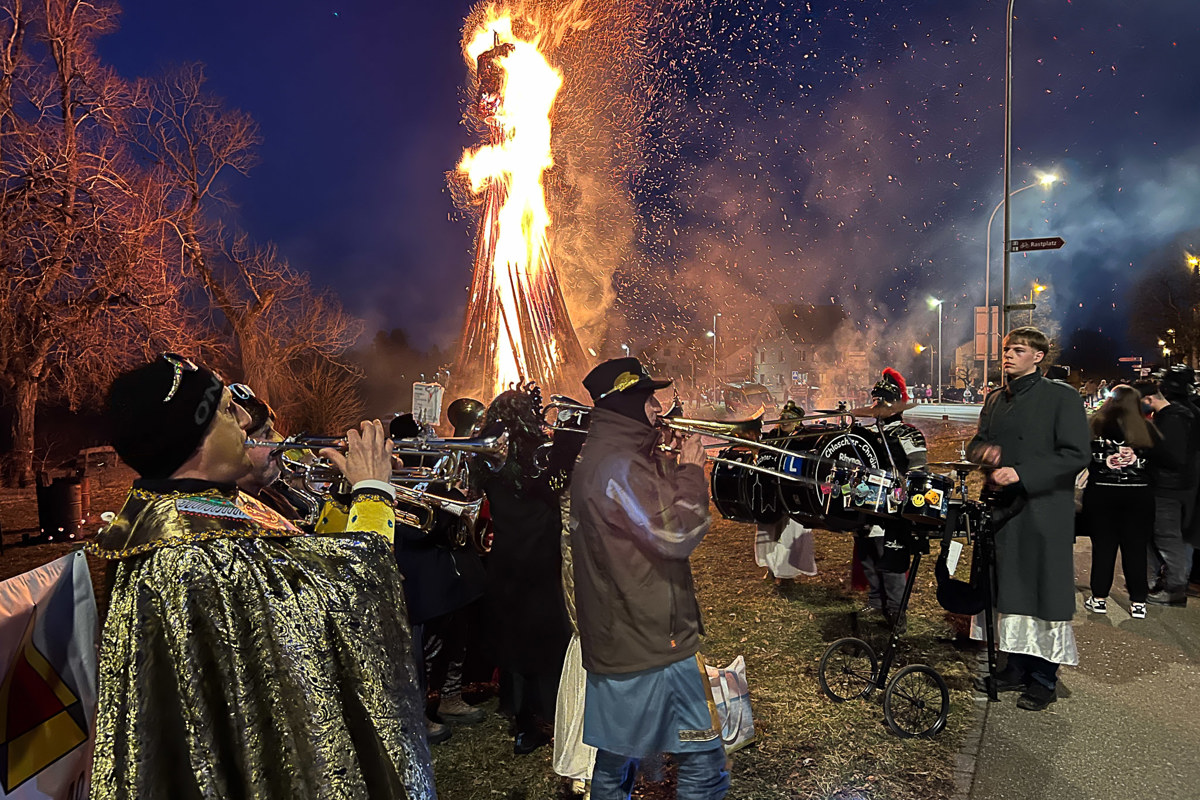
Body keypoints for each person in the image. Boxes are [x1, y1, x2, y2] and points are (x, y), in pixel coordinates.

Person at [87, 355, 436, 799]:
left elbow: (298, 570)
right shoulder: (191, 553)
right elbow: (345, 603)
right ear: (196, 438)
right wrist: (373, 494)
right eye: (229, 412)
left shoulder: (200, 508)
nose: (246, 421)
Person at [571, 357, 729, 800]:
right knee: (704, 765)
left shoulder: (607, 458)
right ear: (630, 403)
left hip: (620, 638)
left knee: (614, 762)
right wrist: (693, 471)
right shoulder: (618, 465)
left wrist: (665, 457)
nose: (659, 407)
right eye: (650, 399)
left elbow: (642, 513)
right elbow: (676, 533)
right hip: (654, 643)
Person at [968, 327, 1090, 711]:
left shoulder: (1061, 397)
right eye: (1006, 350)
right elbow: (975, 443)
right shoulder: (994, 400)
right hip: (1004, 511)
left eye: (1018, 350)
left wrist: (1022, 473)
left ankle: (1043, 678)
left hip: (1042, 512)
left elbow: (1075, 455)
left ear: (1038, 357)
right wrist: (985, 453)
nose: (1008, 356)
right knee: (1010, 592)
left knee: (1043, 593)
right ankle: (1014, 667)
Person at [480, 386, 577, 755]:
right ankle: (551, 712)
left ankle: (522, 721)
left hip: (505, 557)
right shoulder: (542, 453)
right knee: (547, 634)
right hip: (541, 556)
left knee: (514, 638)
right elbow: (560, 487)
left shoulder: (486, 455)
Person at [853, 368, 927, 631]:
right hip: (867, 503)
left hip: (894, 506)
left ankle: (896, 611)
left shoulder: (909, 433)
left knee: (891, 560)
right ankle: (875, 601)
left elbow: (919, 469)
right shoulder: (868, 437)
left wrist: (903, 492)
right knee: (867, 554)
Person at [1080, 385, 1158, 619]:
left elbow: (1080, 458)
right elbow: (1165, 461)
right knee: (1135, 547)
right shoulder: (1147, 429)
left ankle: (1099, 598)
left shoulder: (1094, 426)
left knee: (1103, 547)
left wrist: (1104, 462)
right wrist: (1136, 458)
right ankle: (1138, 602)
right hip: (1138, 495)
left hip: (1102, 494)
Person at [1135, 374, 1198, 606]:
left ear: (1149, 399)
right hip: (1176, 486)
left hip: (1168, 487)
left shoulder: (1172, 419)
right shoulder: (1180, 415)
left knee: (1167, 539)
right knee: (1167, 538)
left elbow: (1173, 456)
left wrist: (1145, 449)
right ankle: (1170, 584)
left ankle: (1174, 590)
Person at [755, 400, 816, 584]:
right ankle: (771, 568)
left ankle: (787, 574)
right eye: (783, 417)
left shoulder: (804, 439)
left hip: (793, 493)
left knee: (791, 533)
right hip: (770, 492)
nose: (785, 420)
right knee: (768, 530)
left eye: (791, 418)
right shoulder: (771, 436)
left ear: (798, 422)